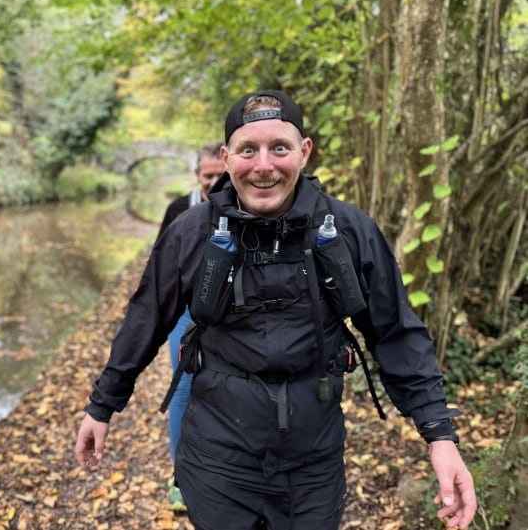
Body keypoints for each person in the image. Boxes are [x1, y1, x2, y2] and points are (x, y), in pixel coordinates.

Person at [75, 90, 477, 530]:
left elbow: (395, 331)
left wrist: (439, 436)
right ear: (227, 158)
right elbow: (145, 318)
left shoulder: (349, 230)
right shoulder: (190, 233)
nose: (263, 166)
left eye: (279, 148)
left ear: (304, 153)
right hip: (217, 458)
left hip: (313, 462)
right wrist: (102, 406)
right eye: (249, 150)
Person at [157, 142, 226, 511]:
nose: (215, 182)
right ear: (197, 176)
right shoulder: (179, 209)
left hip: (231, 318)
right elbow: (161, 267)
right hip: (186, 315)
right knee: (183, 390)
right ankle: (181, 476)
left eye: (220, 175)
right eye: (208, 175)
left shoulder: (244, 203)